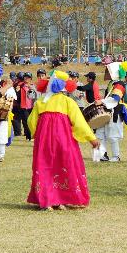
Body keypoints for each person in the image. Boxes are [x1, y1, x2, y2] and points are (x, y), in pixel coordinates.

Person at [27, 75, 100, 210]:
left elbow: (31, 122)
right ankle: (61, 199)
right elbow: (79, 122)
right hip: (63, 138)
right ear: (63, 88)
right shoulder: (68, 102)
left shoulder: (40, 102)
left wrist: (36, 134)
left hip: (44, 140)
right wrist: (92, 138)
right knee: (64, 164)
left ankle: (47, 199)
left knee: (45, 165)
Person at [96, 62, 127, 162]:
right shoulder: (113, 83)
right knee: (101, 134)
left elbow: (115, 99)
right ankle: (102, 154)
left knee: (113, 136)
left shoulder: (120, 84)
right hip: (107, 111)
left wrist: (101, 101)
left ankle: (116, 156)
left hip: (115, 112)